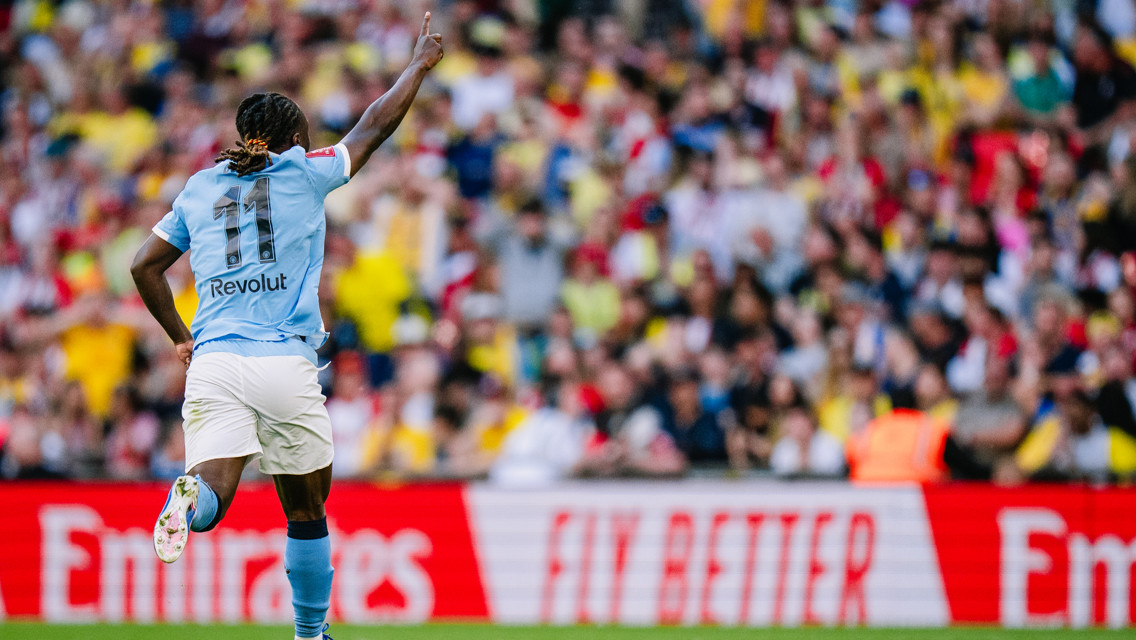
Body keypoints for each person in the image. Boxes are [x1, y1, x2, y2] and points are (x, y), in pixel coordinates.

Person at [128, 14, 443, 640]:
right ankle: (309, 632)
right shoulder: (305, 170)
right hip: (283, 362)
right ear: (293, 139)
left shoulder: (199, 187)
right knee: (305, 510)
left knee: (214, 493)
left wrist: (181, 336)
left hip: (214, 360)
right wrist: (417, 66)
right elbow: (374, 126)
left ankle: (188, 497)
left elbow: (144, 266)